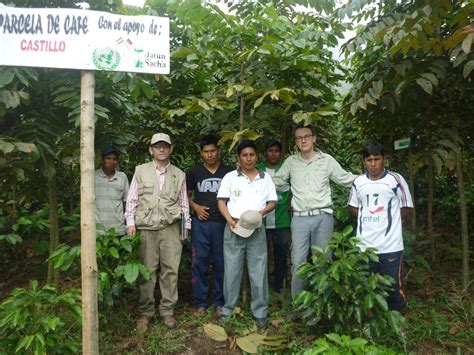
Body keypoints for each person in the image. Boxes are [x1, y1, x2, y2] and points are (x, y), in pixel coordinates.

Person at [272, 124, 356, 301]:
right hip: (299, 219)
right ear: (296, 141)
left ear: (314, 138)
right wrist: (253, 177)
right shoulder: (291, 162)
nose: (303, 140)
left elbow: (345, 179)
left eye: (307, 136)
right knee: (298, 262)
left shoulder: (326, 160)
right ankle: (299, 304)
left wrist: (371, 179)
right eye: (299, 137)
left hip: (323, 216)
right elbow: (276, 181)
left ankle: (321, 302)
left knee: (323, 260)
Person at [125, 133, 191, 333]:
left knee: (171, 270)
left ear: (170, 149)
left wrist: (186, 226)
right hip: (146, 229)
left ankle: (167, 310)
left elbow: (184, 203)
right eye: (157, 146)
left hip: (171, 227)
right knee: (147, 271)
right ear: (151, 149)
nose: (161, 149)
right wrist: (130, 222)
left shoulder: (178, 174)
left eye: (165, 146)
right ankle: (146, 311)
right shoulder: (141, 171)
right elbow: (132, 199)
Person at [217, 140, 277, 329]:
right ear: (238, 158)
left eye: (252, 155)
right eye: (244, 155)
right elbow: (221, 201)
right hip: (234, 226)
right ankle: (228, 310)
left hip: (257, 228)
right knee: (232, 271)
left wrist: (260, 213)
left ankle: (260, 312)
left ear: (256, 156)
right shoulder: (230, 177)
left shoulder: (265, 177)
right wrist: (228, 219)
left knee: (258, 271)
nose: (249, 158)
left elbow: (273, 201)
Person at [348, 142, 413, 311]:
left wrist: (388, 220)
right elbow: (353, 206)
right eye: (369, 160)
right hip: (364, 246)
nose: (373, 163)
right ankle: (371, 322)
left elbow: (406, 206)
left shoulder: (395, 179)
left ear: (384, 159)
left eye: (377, 159)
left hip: (390, 245)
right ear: (364, 161)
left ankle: (398, 321)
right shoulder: (358, 182)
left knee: (392, 286)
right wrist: (369, 217)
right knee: (365, 285)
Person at [187, 134, 233, 317]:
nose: (210, 155)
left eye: (213, 151)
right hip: (201, 225)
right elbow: (186, 195)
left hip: (223, 223)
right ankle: (200, 303)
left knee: (222, 263)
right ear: (201, 153)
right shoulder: (195, 172)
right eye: (206, 152)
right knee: (200, 263)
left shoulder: (229, 172)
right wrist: (196, 207)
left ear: (218, 151)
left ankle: (219, 302)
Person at [256, 139, 291, 293]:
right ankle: (261, 286)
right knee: (260, 255)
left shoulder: (287, 168)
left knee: (281, 255)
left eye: (277, 151)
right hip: (261, 220)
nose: (273, 153)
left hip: (282, 221)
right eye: (270, 150)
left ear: (281, 153)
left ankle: (280, 286)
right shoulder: (258, 170)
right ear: (265, 153)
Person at [95, 145, 129, 236]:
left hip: (118, 229)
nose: (111, 161)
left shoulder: (122, 177)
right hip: (98, 230)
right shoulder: (92, 176)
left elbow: (126, 202)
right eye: (108, 158)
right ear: (102, 160)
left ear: (117, 161)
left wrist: (128, 223)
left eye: (114, 159)